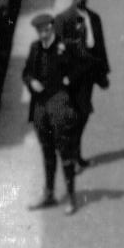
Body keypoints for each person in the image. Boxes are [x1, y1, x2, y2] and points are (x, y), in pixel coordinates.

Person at [21, 13, 90, 211]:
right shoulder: (35, 48)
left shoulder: (65, 46)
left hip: (59, 102)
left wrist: (70, 80)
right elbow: (26, 72)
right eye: (40, 31)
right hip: (41, 106)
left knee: (64, 149)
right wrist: (31, 81)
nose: (43, 34)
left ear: (52, 28)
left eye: (46, 30)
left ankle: (70, 197)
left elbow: (85, 64)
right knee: (46, 149)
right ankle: (49, 193)